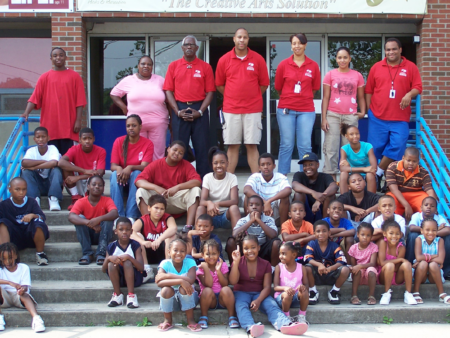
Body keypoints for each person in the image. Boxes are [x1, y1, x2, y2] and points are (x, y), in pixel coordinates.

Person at [365, 38, 422, 192]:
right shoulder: (377, 67)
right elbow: (369, 90)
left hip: (400, 118)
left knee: (397, 146)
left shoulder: (410, 67)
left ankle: (378, 173)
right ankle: (384, 178)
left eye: (394, 49)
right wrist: (370, 110)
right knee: (375, 148)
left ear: (400, 50)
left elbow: (418, 87)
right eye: (388, 49)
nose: (391, 52)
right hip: (378, 116)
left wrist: (409, 94)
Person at [215, 28, 270, 174]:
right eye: (239, 37)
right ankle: (229, 183)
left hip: (253, 109)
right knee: (232, 145)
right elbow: (219, 84)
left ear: (248, 40)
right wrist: (232, 95)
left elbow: (264, 84)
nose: (242, 40)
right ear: (234, 39)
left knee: (252, 145)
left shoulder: (258, 59)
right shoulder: (224, 60)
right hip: (231, 109)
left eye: (245, 37)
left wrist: (252, 96)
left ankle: (256, 182)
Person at [229, 235, 306, 337]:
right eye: (246, 248)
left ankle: (285, 324)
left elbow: (267, 287)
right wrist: (236, 261)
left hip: (259, 293)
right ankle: (250, 327)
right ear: (242, 250)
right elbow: (233, 281)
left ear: (259, 248)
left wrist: (259, 300)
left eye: (253, 247)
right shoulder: (239, 261)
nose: (250, 251)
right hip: (241, 293)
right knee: (241, 307)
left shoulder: (265, 264)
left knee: (272, 306)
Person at [164, 35, 215, 178]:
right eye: (186, 45)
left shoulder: (205, 67)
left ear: (197, 48)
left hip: (199, 109)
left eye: (192, 45)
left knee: (202, 148)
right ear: (182, 47)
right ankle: (180, 180)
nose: (189, 47)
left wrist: (200, 111)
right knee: (179, 149)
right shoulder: (173, 66)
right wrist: (177, 112)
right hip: (179, 109)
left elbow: (210, 92)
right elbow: (168, 90)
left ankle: (203, 182)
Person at [21, 47, 86, 156]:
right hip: (50, 125)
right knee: (51, 158)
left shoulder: (75, 76)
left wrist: (78, 120)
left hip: (68, 125)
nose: (58, 58)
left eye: (61, 55)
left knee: (67, 157)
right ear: (51, 58)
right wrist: (26, 113)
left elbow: (80, 101)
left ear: (66, 57)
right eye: (55, 56)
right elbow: (34, 98)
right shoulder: (44, 77)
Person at [274, 33, 321, 175]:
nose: (297, 46)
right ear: (291, 46)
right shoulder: (283, 64)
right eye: (294, 43)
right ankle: (282, 179)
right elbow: (278, 87)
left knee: (305, 146)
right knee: (286, 145)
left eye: (300, 43)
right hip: (286, 109)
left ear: (305, 45)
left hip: (306, 110)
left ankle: (305, 178)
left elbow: (315, 87)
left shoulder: (313, 65)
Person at [110, 55, 168, 160]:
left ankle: (156, 175)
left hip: (158, 122)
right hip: (136, 124)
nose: (146, 66)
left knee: (157, 153)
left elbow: (168, 99)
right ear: (138, 66)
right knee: (140, 152)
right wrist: (123, 107)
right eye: (143, 64)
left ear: (152, 67)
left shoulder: (160, 80)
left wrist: (172, 120)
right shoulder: (129, 80)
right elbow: (114, 94)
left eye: (149, 64)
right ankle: (141, 176)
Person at [322, 46, 366, 181]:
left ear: (350, 59)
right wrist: (324, 118)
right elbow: (326, 97)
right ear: (336, 59)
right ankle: (331, 180)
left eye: (345, 57)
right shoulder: (330, 75)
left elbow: (361, 97)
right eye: (339, 57)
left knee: (349, 146)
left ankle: (349, 179)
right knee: (331, 147)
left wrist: (363, 111)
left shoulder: (357, 75)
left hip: (350, 116)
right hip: (333, 115)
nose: (342, 60)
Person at [135, 140, 201, 226]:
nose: (177, 153)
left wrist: (178, 187)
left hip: (177, 201)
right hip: (159, 201)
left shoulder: (186, 165)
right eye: (175, 150)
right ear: (168, 149)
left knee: (196, 190)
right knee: (141, 191)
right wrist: (156, 187)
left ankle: (188, 227)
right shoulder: (156, 164)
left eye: (181, 153)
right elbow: (138, 181)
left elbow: (197, 181)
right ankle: (149, 225)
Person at [110, 115, 154, 221]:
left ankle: (131, 216)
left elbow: (145, 167)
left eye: (134, 125)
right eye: (128, 126)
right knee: (113, 174)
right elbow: (113, 166)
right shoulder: (119, 141)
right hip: (121, 180)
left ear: (140, 127)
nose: (130, 128)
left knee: (137, 173)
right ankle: (118, 216)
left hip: (136, 181)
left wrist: (130, 167)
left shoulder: (147, 143)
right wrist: (120, 169)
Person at [68, 175, 118, 265]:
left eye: (100, 185)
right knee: (80, 218)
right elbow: (71, 216)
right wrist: (89, 223)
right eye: (94, 184)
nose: (97, 187)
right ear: (88, 186)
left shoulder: (107, 200)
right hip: (87, 234)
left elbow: (115, 213)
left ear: (103, 188)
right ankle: (87, 253)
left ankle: (101, 253)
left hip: (102, 234)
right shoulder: (81, 201)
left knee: (108, 220)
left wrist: (98, 219)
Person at [0, 177, 49, 266]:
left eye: (24, 189)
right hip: (13, 237)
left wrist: (32, 215)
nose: (21, 192)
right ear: (10, 189)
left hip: (30, 236)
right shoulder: (4, 205)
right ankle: (5, 255)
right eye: (17, 189)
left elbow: (42, 217)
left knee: (38, 223)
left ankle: (40, 254)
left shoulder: (31, 201)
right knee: (2, 223)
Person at [155, 238, 201, 332]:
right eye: (175, 250)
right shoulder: (165, 263)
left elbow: (191, 280)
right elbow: (159, 282)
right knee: (165, 290)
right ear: (169, 251)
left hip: (189, 299)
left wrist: (168, 276)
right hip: (172, 302)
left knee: (183, 288)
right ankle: (168, 320)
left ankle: (190, 320)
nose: (179, 253)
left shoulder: (190, 262)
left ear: (186, 252)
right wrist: (180, 281)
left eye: (182, 251)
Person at [130, 194, 177, 284]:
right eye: (156, 208)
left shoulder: (167, 218)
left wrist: (159, 239)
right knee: (138, 236)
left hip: (163, 252)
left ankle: (168, 267)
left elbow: (173, 228)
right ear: (149, 208)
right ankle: (147, 270)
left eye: (162, 209)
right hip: (147, 253)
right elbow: (131, 232)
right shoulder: (143, 219)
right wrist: (143, 242)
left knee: (171, 237)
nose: (159, 211)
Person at [0, 243, 45, 332]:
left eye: (10, 257)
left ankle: (36, 319)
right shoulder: (1, 269)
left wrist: (22, 290)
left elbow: (25, 286)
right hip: (4, 297)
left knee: (25, 295)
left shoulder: (24, 268)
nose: (8, 262)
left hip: (18, 296)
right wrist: (9, 282)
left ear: (16, 255)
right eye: (4, 259)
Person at [58, 127, 106, 210]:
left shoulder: (101, 151)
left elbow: (100, 172)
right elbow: (61, 162)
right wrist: (84, 171)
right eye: (84, 139)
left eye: (90, 138)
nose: (87, 141)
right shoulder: (74, 149)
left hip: (90, 181)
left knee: (96, 177)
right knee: (67, 164)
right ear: (80, 140)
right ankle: (75, 197)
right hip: (75, 183)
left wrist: (78, 177)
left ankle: (87, 200)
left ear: (94, 139)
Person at [304, 220, 350, 305]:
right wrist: (319, 265)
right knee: (306, 268)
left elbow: (342, 260)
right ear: (314, 234)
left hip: (330, 275)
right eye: (318, 231)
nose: (321, 233)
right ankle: (313, 291)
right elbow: (308, 258)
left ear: (329, 233)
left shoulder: (334, 245)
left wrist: (330, 268)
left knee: (345, 269)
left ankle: (334, 291)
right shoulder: (312, 244)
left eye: (324, 231)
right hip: (316, 276)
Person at [226, 195, 280, 267]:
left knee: (277, 243)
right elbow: (234, 234)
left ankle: (273, 269)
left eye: (257, 205)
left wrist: (259, 220)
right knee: (231, 241)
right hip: (247, 249)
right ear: (247, 209)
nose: (254, 207)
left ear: (262, 208)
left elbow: (273, 235)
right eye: (251, 205)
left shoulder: (269, 220)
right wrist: (251, 221)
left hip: (263, 249)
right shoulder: (243, 220)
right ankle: (234, 267)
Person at [196, 239, 239, 329]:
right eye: (208, 254)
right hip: (209, 300)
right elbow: (209, 284)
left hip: (222, 298)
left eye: (214, 254)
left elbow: (225, 283)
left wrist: (218, 271)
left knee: (227, 289)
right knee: (207, 290)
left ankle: (232, 317)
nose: (211, 256)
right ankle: (204, 317)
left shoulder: (222, 265)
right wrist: (206, 268)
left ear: (219, 254)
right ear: (203, 255)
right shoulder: (200, 268)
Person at [385, 147, 437, 221]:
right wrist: (407, 205)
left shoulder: (423, 172)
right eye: (408, 160)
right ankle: (393, 223)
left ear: (418, 161)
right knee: (390, 199)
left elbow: (429, 189)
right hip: (397, 194)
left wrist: (433, 205)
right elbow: (394, 189)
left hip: (415, 195)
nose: (411, 164)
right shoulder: (393, 167)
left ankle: (426, 225)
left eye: (414, 161)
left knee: (426, 200)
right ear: (403, 158)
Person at [103, 217, 144, 309]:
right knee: (111, 264)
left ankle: (131, 295)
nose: (124, 232)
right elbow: (103, 269)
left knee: (127, 262)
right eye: (121, 229)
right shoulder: (111, 247)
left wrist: (129, 257)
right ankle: (117, 295)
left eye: (127, 229)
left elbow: (141, 268)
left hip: (134, 279)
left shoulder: (135, 245)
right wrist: (109, 258)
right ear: (116, 231)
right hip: (119, 280)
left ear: (131, 231)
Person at [196, 147, 240, 229]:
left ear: (227, 163)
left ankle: (238, 237)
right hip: (210, 217)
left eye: (222, 162)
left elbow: (235, 201)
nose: (219, 165)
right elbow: (202, 201)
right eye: (215, 163)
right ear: (212, 164)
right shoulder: (207, 177)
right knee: (200, 208)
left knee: (234, 208)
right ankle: (197, 237)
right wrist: (209, 203)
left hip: (226, 216)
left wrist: (218, 203)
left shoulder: (232, 177)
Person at [406, 196, 450, 278]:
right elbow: (412, 227)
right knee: (412, 235)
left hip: (434, 241)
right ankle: (410, 266)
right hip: (420, 241)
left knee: (447, 237)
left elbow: (448, 230)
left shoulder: (439, 218)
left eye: (432, 206)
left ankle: (446, 270)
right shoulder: (417, 216)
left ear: (436, 209)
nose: (429, 207)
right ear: (421, 207)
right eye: (426, 205)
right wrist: (429, 232)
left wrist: (433, 233)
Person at [21, 126, 63, 211]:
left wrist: (34, 167)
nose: (41, 139)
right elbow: (24, 163)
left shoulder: (53, 148)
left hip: (51, 185)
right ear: (34, 139)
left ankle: (53, 199)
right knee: (25, 172)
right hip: (37, 186)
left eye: (43, 137)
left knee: (56, 170)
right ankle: (34, 200)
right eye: (38, 137)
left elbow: (54, 163)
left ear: (48, 138)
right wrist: (45, 161)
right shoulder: (31, 150)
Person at [377, 219, 417, 305]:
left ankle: (408, 294)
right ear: (385, 234)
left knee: (407, 264)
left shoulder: (401, 248)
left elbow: (397, 267)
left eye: (397, 233)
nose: (394, 236)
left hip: (396, 276)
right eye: (391, 233)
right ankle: (386, 293)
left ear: (401, 235)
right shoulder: (382, 243)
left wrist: (401, 261)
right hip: (383, 276)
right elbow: (382, 263)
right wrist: (400, 259)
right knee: (389, 265)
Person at [244, 153, 291, 225]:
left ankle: (283, 229)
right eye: (263, 165)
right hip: (259, 210)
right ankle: (249, 225)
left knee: (285, 197)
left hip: (275, 212)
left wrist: (269, 201)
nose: (266, 167)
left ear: (274, 166)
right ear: (259, 167)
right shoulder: (255, 177)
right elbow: (246, 190)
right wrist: (264, 202)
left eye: (269, 164)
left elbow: (288, 190)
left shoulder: (280, 177)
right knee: (247, 196)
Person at [292, 152, 338, 224]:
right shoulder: (299, 175)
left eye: (311, 164)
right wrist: (313, 193)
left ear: (317, 165)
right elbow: (295, 185)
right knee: (298, 194)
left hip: (322, 211)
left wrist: (319, 200)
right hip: (305, 212)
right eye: (305, 165)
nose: (307, 167)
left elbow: (334, 186)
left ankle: (325, 225)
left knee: (330, 196)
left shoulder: (325, 176)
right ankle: (300, 225)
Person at [273, 241, 309, 332]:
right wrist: (285, 288)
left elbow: (306, 285)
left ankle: (301, 316)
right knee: (287, 294)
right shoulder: (279, 267)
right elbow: (275, 287)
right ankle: (286, 316)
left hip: (296, 298)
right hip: (282, 298)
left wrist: (302, 287)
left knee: (304, 292)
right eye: (280, 253)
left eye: (284, 254)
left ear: (293, 255)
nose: (281, 256)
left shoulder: (302, 268)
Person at [412, 218, 449, 305]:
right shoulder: (419, 239)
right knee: (424, 264)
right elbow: (418, 257)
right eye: (427, 230)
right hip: (422, 274)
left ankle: (441, 293)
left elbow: (440, 259)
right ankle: (416, 291)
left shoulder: (440, 240)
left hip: (434, 274)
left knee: (432, 265)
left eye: (434, 230)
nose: (431, 233)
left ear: (437, 231)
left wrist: (424, 258)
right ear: (421, 231)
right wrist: (435, 256)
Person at [339, 124, 377, 193]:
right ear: (346, 136)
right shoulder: (344, 149)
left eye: (357, 134)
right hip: (352, 176)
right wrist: (364, 169)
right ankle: (343, 200)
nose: (355, 136)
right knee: (343, 174)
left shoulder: (367, 146)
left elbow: (373, 168)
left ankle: (372, 200)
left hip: (367, 176)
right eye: (351, 134)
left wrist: (349, 168)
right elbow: (342, 169)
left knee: (370, 174)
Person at [348, 222, 379, 305]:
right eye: (362, 234)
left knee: (371, 270)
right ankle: (354, 295)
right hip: (358, 276)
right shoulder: (353, 248)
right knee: (357, 270)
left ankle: (371, 296)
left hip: (370, 276)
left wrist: (360, 266)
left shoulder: (374, 247)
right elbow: (353, 265)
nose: (365, 237)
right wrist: (357, 267)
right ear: (358, 235)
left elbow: (372, 263)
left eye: (368, 235)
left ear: (372, 236)